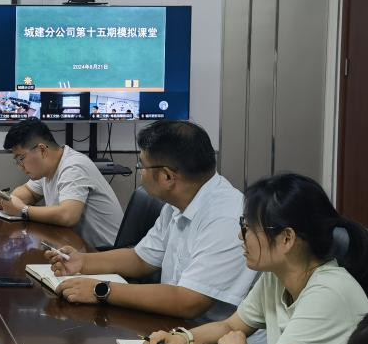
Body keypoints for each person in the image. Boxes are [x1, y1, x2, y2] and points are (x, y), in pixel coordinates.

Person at [142, 172, 368, 344]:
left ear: (286, 238)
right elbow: (230, 326)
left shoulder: (328, 293)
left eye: (247, 228)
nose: (240, 236)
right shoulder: (277, 277)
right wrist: (182, 339)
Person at [46, 119, 253, 320]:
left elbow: (189, 302)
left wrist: (101, 290)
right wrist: (83, 262)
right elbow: (141, 259)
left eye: (142, 166)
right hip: (175, 324)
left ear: (167, 177)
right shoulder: (179, 202)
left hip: (215, 338)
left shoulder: (226, 218)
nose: (141, 173)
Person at [0, 118, 124, 249]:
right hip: (77, 249)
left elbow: (68, 216)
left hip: (105, 253)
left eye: (21, 158)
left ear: (42, 150)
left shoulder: (73, 166)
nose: (20, 166)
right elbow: (28, 193)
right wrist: (5, 200)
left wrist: (23, 210)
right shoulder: (47, 168)